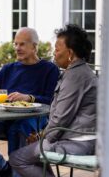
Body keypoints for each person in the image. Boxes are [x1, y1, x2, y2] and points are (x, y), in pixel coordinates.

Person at [9, 24, 97, 177]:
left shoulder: (75, 77)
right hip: (79, 137)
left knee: (17, 158)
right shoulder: (79, 71)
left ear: (70, 53)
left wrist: (41, 137)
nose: (54, 54)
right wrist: (40, 137)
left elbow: (60, 118)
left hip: (79, 142)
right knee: (35, 154)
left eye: (57, 50)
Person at [0, 27, 60, 176]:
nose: (17, 48)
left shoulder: (49, 69)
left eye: (22, 44)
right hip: (2, 118)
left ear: (34, 46)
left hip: (34, 119)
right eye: (16, 44)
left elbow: (52, 100)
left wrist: (29, 97)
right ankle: (2, 170)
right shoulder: (8, 69)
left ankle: (16, 172)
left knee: (19, 127)